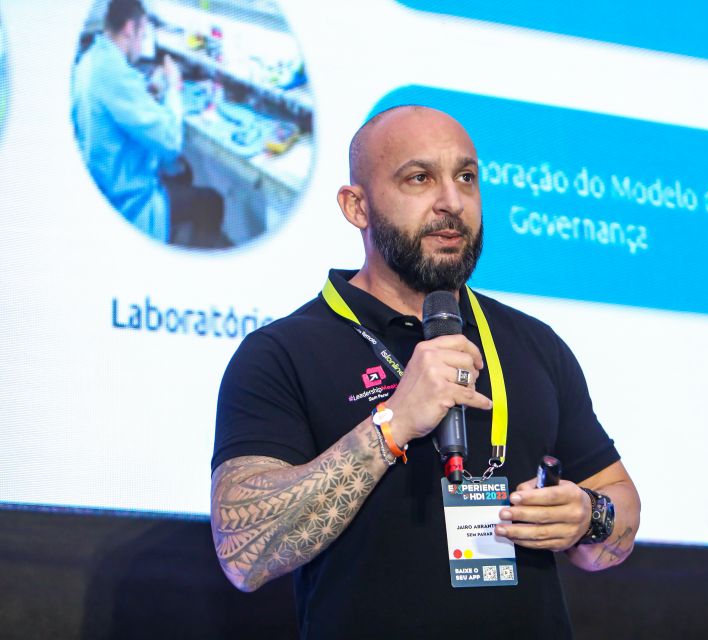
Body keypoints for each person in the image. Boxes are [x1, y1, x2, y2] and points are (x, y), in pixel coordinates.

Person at [211, 105, 641, 638]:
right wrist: (391, 425)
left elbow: (618, 501)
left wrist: (590, 516)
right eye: (419, 178)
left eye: (466, 178)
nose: (452, 202)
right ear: (356, 206)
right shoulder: (281, 352)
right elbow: (244, 554)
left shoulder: (535, 343)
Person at [72, 0, 228, 247]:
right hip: (128, 203)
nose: (142, 43)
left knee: (183, 172)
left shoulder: (91, 60)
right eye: (143, 34)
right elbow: (171, 142)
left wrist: (145, 91)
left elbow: (117, 100)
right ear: (129, 29)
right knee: (212, 202)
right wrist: (174, 87)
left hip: (103, 182)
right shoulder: (114, 75)